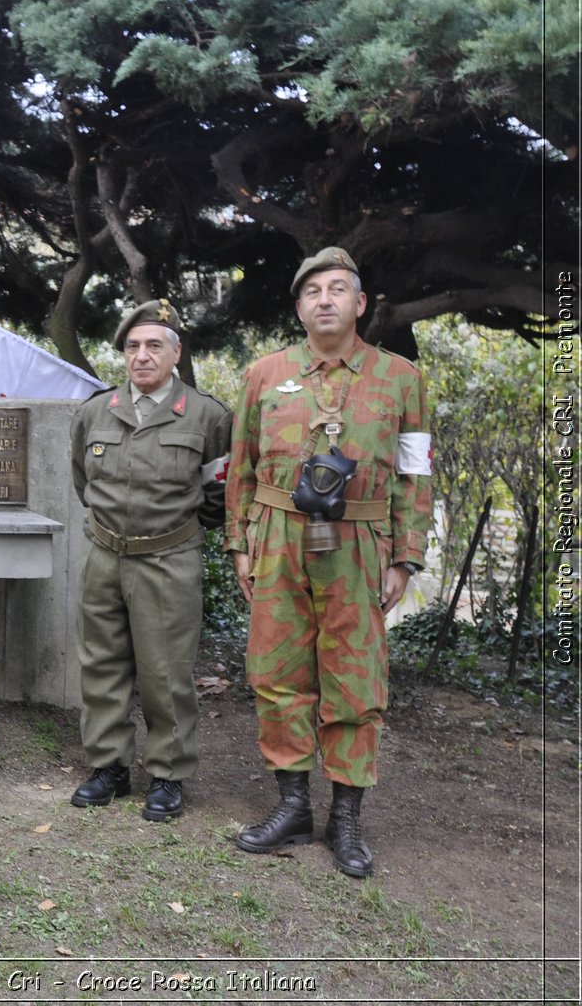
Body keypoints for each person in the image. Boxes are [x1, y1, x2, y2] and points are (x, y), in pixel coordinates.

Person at [226, 247, 432, 877]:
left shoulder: (401, 378)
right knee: (275, 671)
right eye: (313, 290)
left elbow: (414, 475)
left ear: (360, 304)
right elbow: (241, 464)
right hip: (279, 538)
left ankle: (346, 819)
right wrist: (239, 543)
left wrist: (406, 558)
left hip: (358, 548)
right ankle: (292, 806)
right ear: (298, 307)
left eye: (337, 288)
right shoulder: (263, 374)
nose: (324, 299)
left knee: (355, 680)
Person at [68, 300, 231, 822]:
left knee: (166, 672)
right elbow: (82, 482)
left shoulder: (208, 416)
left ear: (176, 353)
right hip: (104, 556)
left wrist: (174, 534)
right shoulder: (96, 411)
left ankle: (167, 775)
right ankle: (109, 767)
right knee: (102, 664)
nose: (142, 356)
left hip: (168, 560)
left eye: (154, 345)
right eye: (133, 346)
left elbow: (218, 494)